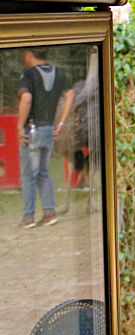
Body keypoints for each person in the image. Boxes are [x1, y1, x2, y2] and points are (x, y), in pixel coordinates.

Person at [17, 47, 73, 228]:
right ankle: (49, 213)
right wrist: (61, 123)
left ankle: (28, 217)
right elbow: (70, 95)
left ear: (29, 54)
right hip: (49, 129)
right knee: (43, 173)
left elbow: (26, 99)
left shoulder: (28, 74)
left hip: (32, 129)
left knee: (28, 175)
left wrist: (20, 126)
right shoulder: (60, 73)